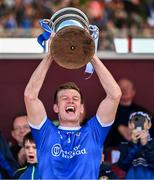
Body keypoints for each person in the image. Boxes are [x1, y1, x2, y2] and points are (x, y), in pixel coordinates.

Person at [24, 33, 121, 179]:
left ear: (81, 108)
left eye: (75, 99)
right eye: (64, 98)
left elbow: (114, 95)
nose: (70, 101)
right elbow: (30, 96)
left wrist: (91, 55)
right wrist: (51, 53)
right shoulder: (45, 133)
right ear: (56, 107)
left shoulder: (94, 132)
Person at [105, 78, 153, 148]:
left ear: (133, 91)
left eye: (127, 87)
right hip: (113, 153)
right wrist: (118, 126)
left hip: (139, 154)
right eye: (121, 87)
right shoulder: (107, 112)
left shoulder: (144, 113)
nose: (124, 90)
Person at [117, 111, 154, 179]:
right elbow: (123, 166)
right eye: (135, 119)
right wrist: (133, 144)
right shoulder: (124, 145)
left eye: (143, 120)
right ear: (129, 125)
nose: (139, 123)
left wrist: (146, 144)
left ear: (149, 124)